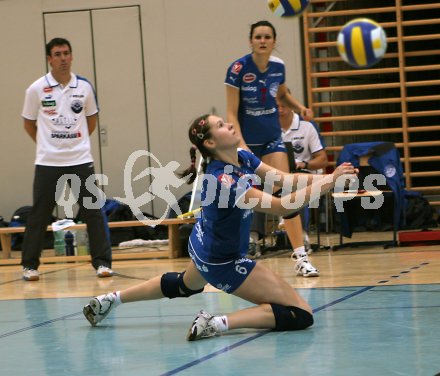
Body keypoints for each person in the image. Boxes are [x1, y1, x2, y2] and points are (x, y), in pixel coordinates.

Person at [82, 114, 357, 340]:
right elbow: (283, 206)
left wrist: (323, 178)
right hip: (223, 259)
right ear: (211, 141)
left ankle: (111, 299)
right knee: (301, 313)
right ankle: (216, 323)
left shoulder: (241, 157)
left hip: (204, 246)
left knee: (182, 285)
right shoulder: (224, 181)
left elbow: (284, 180)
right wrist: (330, 182)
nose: (229, 124)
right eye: (221, 125)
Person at [224, 20, 318, 276]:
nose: (262, 41)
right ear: (251, 41)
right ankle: (231, 257)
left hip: (272, 139)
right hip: (246, 143)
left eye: (267, 37)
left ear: (274, 42)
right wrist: (240, 146)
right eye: (258, 37)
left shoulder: (278, 66)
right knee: (240, 199)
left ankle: (301, 257)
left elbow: (283, 94)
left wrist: (300, 109)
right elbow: (231, 113)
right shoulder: (238, 69)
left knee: (284, 190)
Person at [21, 37, 113, 281]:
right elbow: (29, 123)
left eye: (66, 53)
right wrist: (47, 144)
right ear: (49, 59)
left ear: (72, 56)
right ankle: (29, 266)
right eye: (57, 54)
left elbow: (91, 120)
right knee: (39, 214)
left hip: (80, 159)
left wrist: (76, 143)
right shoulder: (36, 89)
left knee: (92, 211)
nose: (63, 58)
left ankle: (102, 263)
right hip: (47, 161)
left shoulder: (84, 87)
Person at [278, 94, 328, 254]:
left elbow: (322, 159)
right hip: (276, 175)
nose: (279, 109)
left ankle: (302, 235)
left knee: (297, 186)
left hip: (302, 173)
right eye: (276, 106)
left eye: (283, 105)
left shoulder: (307, 126)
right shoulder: (268, 128)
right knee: (252, 188)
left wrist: (305, 163)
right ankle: (253, 238)